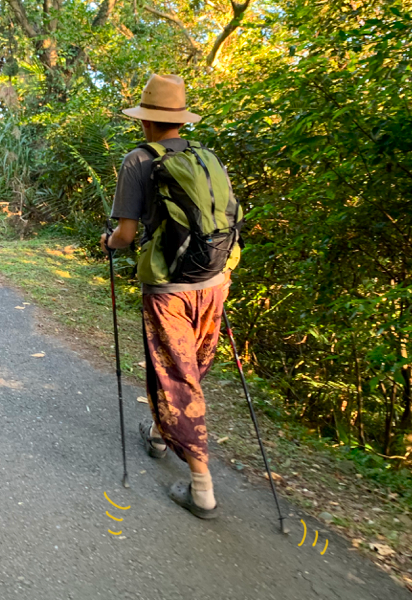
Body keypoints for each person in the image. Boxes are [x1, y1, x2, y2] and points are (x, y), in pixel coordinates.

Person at [101, 74, 242, 520]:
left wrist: (109, 243)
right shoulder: (207, 157)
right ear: (179, 119)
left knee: (175, 376)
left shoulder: (137, 161)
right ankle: (162, 434)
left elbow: (125, 235)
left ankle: (201, 488)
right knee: (191, 366)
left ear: (146, 121)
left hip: (168, 289)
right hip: (215, 280)